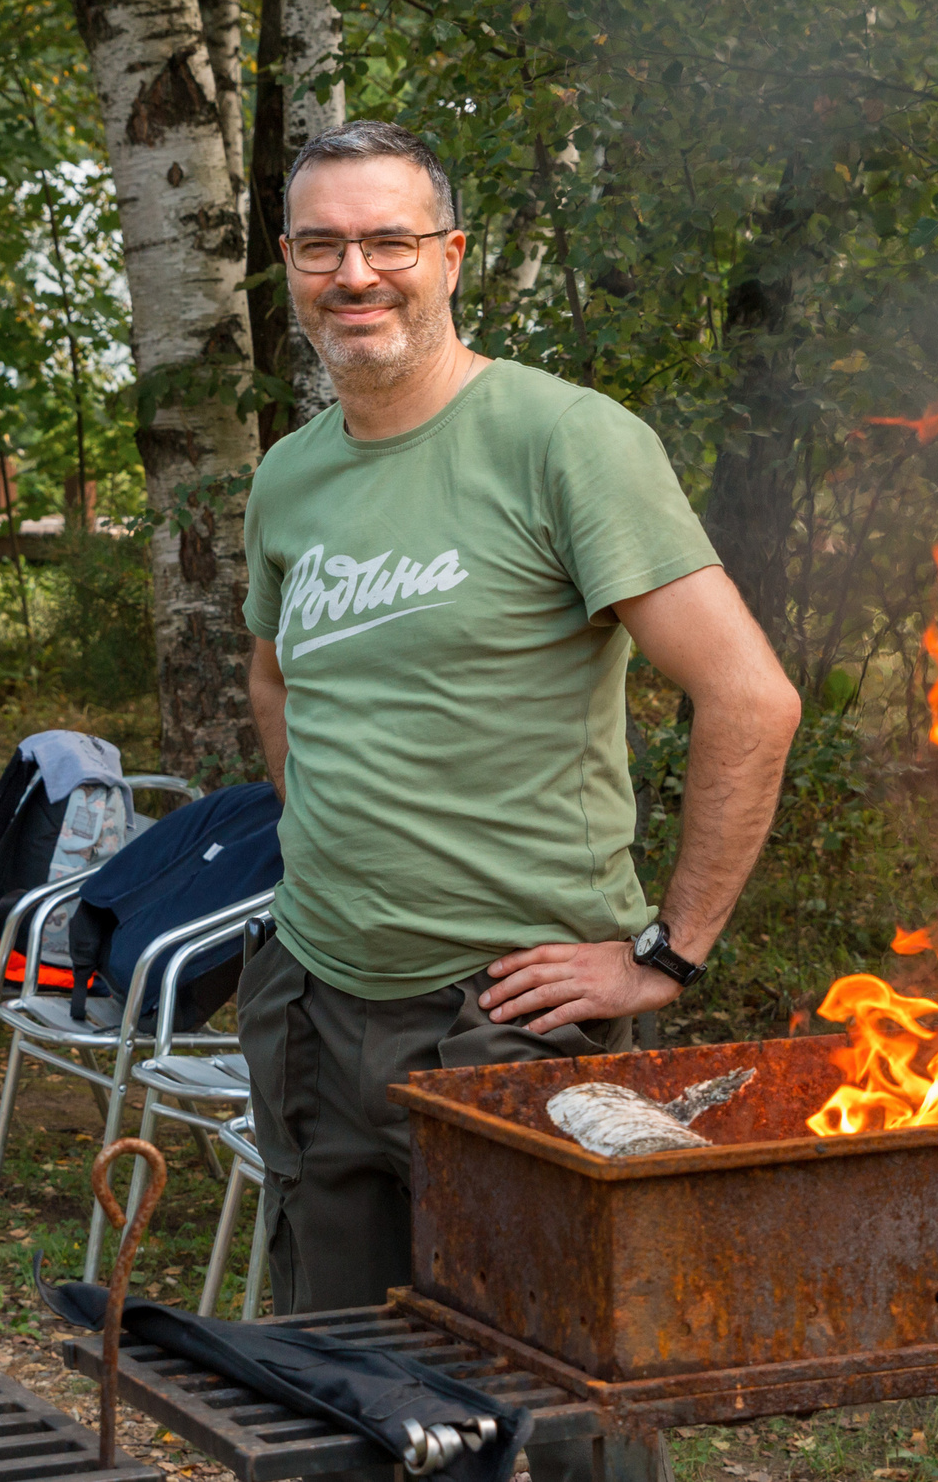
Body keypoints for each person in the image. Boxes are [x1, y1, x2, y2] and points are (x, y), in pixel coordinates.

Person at [239, 119, 801, 1316]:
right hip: (311, 1003)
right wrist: (337, 855)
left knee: (553, 1384)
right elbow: (278, 674)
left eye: (388, 240)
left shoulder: (566, 441)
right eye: (320, 245)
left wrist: (670, 953)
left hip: (503, 1017)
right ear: (286, 262)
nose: (354, 274)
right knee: (338, 1386)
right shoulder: (288, 474)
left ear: (450, 255)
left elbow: (749, 697)